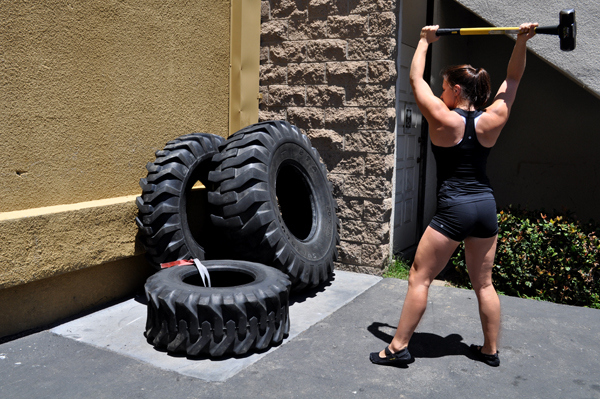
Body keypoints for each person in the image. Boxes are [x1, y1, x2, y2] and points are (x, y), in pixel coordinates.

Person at [370, 22, 538, 367]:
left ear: (457, 90)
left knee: (420, 276)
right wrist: (521, 41)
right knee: (484, 283)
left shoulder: (443, 118)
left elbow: (414, 80)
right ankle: (490, 350)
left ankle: (397, 347)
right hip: (484, 205)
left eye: (444, 87)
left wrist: (422, 41)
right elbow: (514, 79)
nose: (440, 91)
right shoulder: (495, 117)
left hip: (454, 209)